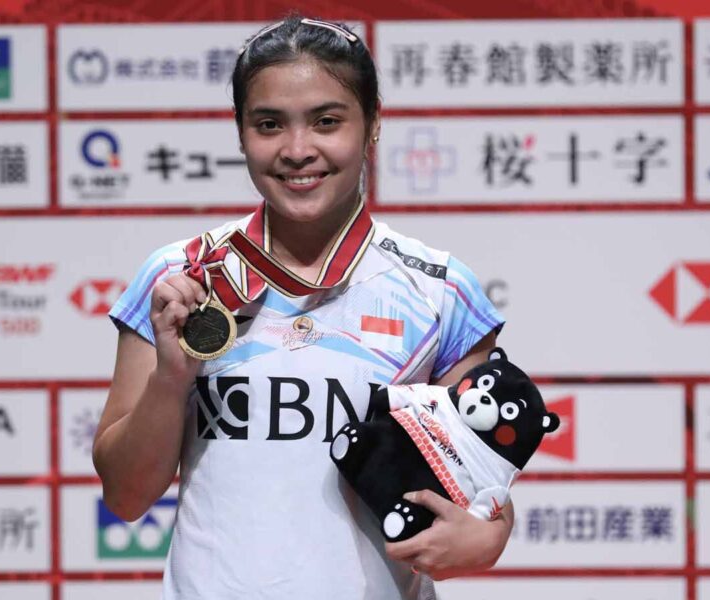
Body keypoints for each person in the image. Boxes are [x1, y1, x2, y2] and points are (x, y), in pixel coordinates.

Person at [94, 15, 511, 600]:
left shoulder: (441, 291)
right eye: (269, 124)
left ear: (373, 125)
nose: (297, 150)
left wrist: (490, 537)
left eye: (326, 121)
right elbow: (125, 496)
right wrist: (172, 375)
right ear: (241, 133)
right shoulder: (180, 279)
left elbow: (482, 481)